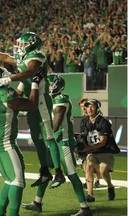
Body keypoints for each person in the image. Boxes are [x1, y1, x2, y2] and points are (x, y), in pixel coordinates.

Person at [0, 32, 65, 188]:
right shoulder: (24, 56)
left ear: (32, 44)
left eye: (23, 44)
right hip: (32, 99)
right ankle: (45, 171)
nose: (19, 47)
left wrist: (9, 78)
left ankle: (59, 173)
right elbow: (5, 57)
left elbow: (30, 71)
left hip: (41, 101)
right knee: (37, 139)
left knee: (49, 137)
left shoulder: (37, 55)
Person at [22, 74, 92, 216]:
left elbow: (56, 122)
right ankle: (37, 203)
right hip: (55, 143)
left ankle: (85, 208)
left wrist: (43, 134)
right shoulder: (51, 100)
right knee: (45, 172)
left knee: (71, 174)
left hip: (64, 142)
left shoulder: (61, 99)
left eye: (48, 85)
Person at [0, 65, 40, 216]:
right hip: (4, 143)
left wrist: (22, 82)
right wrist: (35, 83)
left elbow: (15, 98)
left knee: (9, 180)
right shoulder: (4, 93)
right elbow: (31, 105)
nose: (6, 75)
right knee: (17, 181)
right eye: (2, 74)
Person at [78, 99, 119, 202]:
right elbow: (83, 137)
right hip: (92, 151)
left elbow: (102, 142)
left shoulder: (104, 122)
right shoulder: (84, 121)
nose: (90, 109)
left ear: (97, 108)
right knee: (88, 168)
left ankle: (110, 186)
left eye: (92, 106)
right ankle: (90, 195)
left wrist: (87, 148)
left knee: (103, 171)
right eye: (87, 106)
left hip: (105, 150)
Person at [78, 97, 101, 189]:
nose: (83, 108)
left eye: (85, 106)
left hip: (95, 143)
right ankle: (87, 181)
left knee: (95, 164)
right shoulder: (84, 119)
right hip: (86, 143)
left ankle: (97, 180)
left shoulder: (96, 117)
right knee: (85, 163)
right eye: (82, 106)